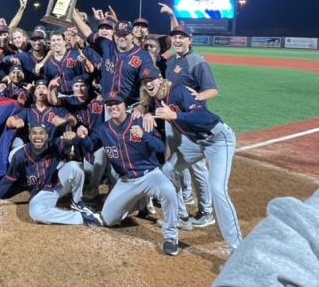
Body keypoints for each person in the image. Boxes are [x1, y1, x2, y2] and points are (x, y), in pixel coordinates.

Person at [142, 70, 243, 251]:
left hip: (218, 139)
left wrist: (175, 116)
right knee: (168, 170)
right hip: (196, 143)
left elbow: (206, 118)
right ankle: (182, 216)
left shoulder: (180, 91)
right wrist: (149, 114)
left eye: (151, 80)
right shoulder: (158, 96)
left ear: (160, 79)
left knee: (218, 189)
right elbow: (151, 109)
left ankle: (238, 248)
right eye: (145, 81)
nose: (148, 84)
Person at [76, 92, 180, 255]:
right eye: (109, 105)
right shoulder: (104, 129)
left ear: (125, 105)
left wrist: (145, 135)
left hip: (150, 175)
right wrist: (82, 136)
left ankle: (171, 237)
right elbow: (90, 147)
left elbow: (161, 148)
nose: (113, 107)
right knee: (109, 220)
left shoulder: (141, 121)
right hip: (126, 181)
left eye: (116, 103)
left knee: (169, 191)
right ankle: (140, 201)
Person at [0, 124, 103, 227]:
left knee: (74, 167)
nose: (38, 136)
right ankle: (81, 218)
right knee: (36, 213)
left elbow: (69, 142)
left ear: (46, 136)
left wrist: (75, 137)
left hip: (58, 183)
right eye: (34, 133)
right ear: (29, 137)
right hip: (41, 193)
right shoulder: (19, 156)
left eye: (41, 133)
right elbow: (9, 179)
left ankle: (77, 201)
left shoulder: (53, 144)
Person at [166, 23, 218, 228]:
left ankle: (206, 211)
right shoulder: (172, 60)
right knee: (178, 162)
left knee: (197, 166)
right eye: (175, 37)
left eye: (182, 37)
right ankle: (186, 200)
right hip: (174, 120)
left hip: (191, 122)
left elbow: (212, 90)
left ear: (190, 40)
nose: (177, 40)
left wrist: (199, 96)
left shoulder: (198, 61)